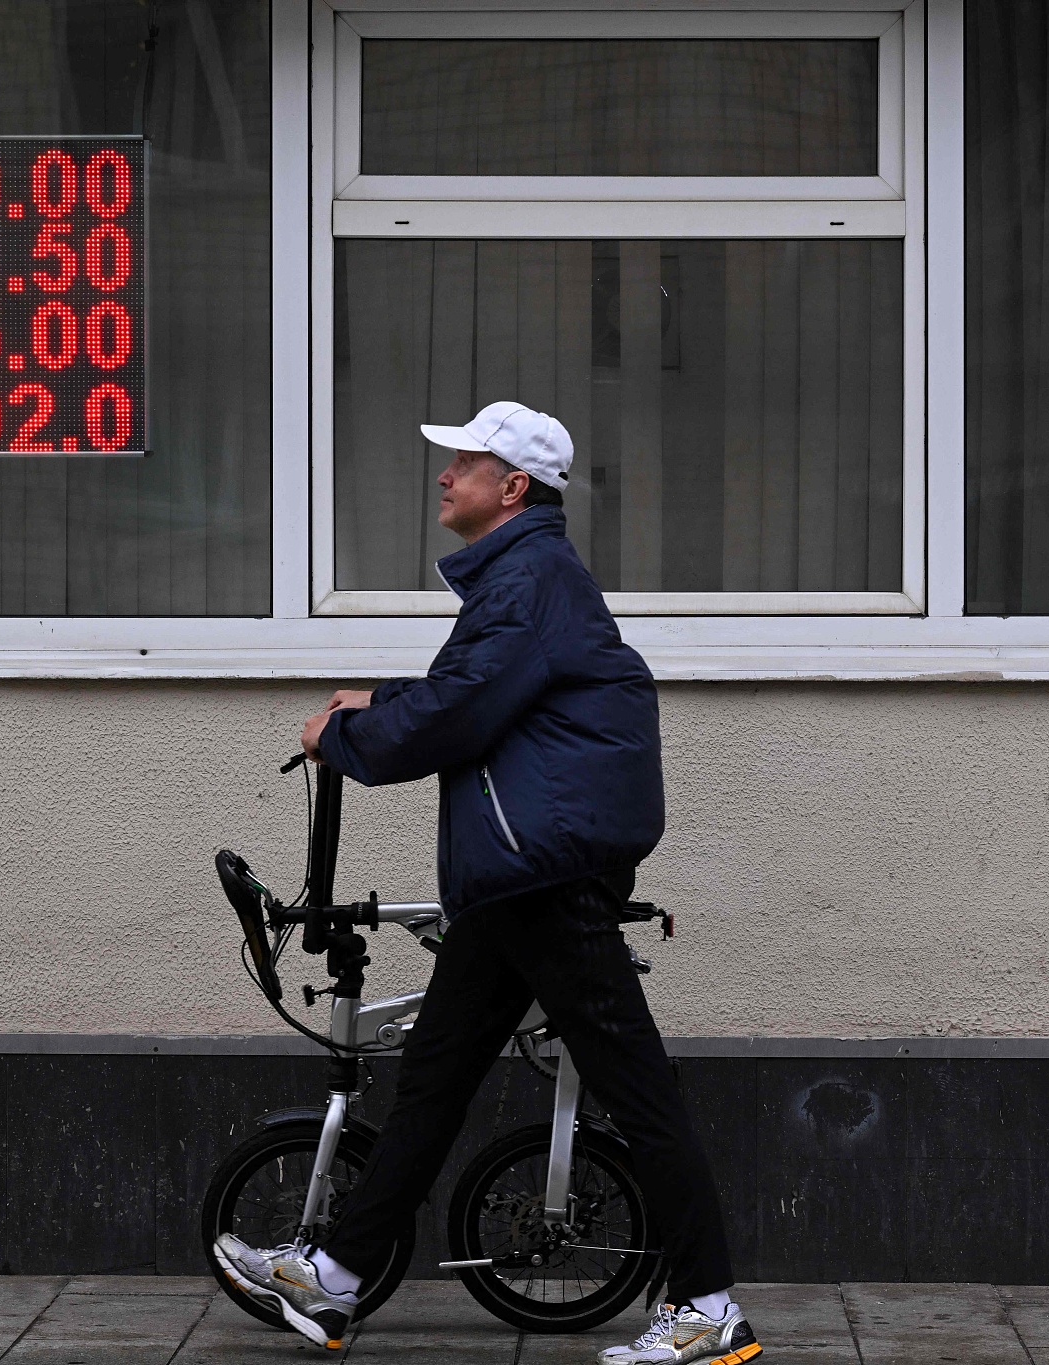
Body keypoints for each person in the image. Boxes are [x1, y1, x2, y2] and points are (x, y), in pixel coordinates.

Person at [212, 401, 758, 1365]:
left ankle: (708, 1305)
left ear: (512, 487)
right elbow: (486, 690)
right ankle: (334, 1279)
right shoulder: (520, 581)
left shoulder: (530, 577)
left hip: (542, 876)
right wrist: (379, 698)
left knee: (636, 1090)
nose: (444, 475)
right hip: (515, 881)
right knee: (433, 1083)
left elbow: (458, 716)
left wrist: (337, 734)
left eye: (462, 462)